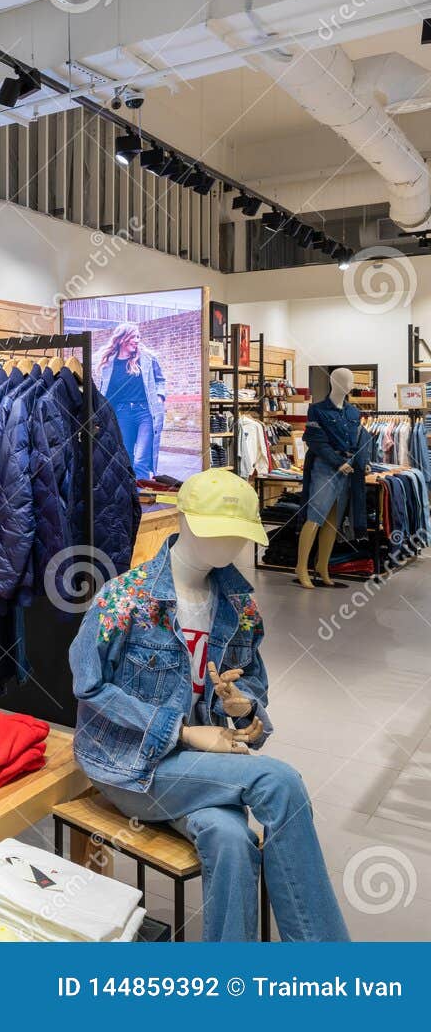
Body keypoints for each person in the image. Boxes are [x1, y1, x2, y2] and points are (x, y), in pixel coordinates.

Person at [70, 470, 348, 942]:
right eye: (217, 532)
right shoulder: (125, 599)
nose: (227, 547)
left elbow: (252, 689)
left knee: (231, 839)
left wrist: (243, 711)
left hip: (202, 766)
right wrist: (179, 730)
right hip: (130, 765)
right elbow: (90, 688)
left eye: (237, 536)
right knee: (278, 781)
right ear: (185, 521)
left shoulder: (238, 606)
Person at [95, 321, 166, 479]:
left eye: (139, 337)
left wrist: (160, 397)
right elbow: (106, 391)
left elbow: (160, 380)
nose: (137, 340)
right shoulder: (109, 363)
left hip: (145, 413)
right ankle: (130, 496)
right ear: (121, 339)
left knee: (141, 459)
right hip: (122, 413)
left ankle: (142, 498)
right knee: (125, 456)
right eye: (133, 337)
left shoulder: (148, 358)